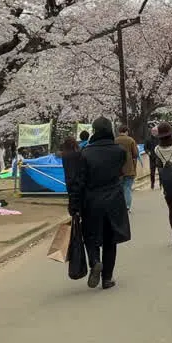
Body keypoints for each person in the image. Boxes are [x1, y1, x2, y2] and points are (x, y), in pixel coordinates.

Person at [69, 118, 131, 289]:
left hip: (92, 200)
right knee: (110, 239)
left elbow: (79, 182)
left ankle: (95, 261)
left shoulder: (85, 153)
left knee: (91, 236)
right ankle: (107, 278)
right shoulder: (119, 151)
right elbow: (120, 171)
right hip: (114, 199)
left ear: (94, 131)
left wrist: (74, 205)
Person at [115, 126, 140, 210]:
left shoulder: (115, 141)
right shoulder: (130, 140)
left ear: (119, 132)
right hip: (129, 168)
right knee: (127, 188)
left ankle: (120, 205)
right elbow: (136, 154)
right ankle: (127, 206)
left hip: (118, 168)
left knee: (120, 188)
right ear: (126, 132)